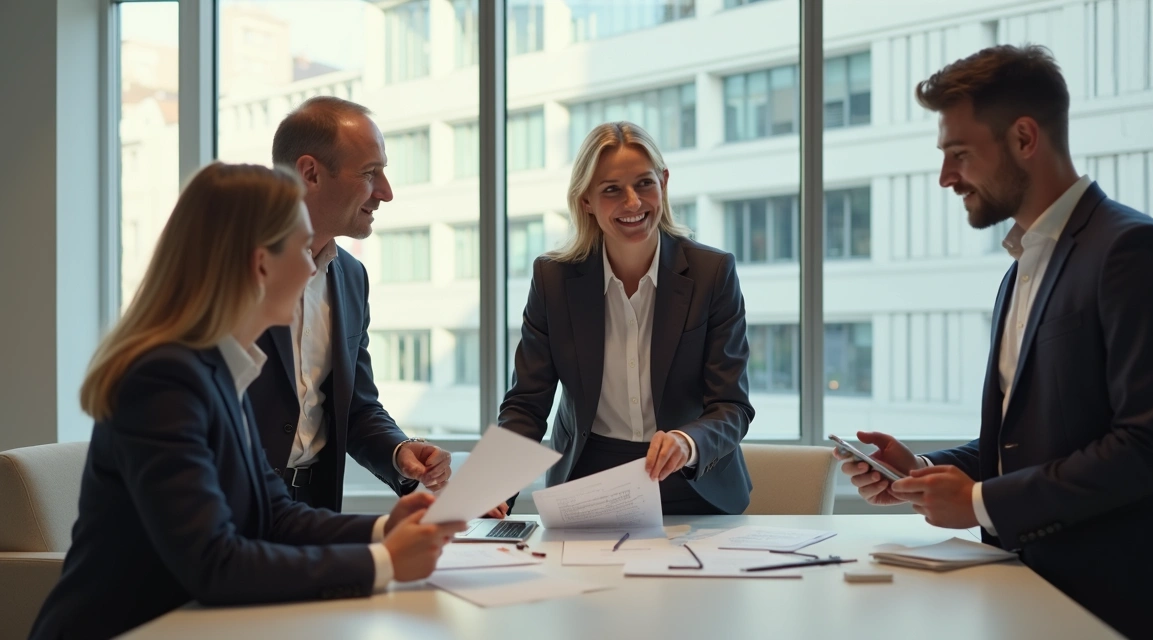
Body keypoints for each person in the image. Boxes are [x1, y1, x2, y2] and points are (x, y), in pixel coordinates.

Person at [835, 45, 1153, 638]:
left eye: (959, 154)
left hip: (1123, 605)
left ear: (1024, 138)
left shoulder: (1134, 252)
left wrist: (981, 503)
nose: (946, 177)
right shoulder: (1021, 267)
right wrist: (927, 471)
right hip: (1030, 591)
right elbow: (1032, 443)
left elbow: (1150, 449)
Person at [29, 163, 466, 640]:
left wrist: (384, 529)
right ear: (260, 264)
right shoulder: (163, 380)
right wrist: (384, 561)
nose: (312, 266)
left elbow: (274, 514)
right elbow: (215, 563)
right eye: (301, 248)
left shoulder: (216, 368)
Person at [254, 96, 506, 516]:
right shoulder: (231, 266)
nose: (386, 193)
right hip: (235, 508)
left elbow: (354, 405)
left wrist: (400, 453)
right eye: (371, 174)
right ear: (310, 173)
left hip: (315, 508)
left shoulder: (351, 276)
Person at [499, 122, 753, 515]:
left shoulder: (712, 273)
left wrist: (687, 442)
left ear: (664, 183)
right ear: (586, 200)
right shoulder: (553, 279)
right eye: (612, 190)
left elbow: (731, 405)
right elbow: (527, 404)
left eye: (644, 184)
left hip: (692, 483)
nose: (633, 203)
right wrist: (495, 489)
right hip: (588, 484)